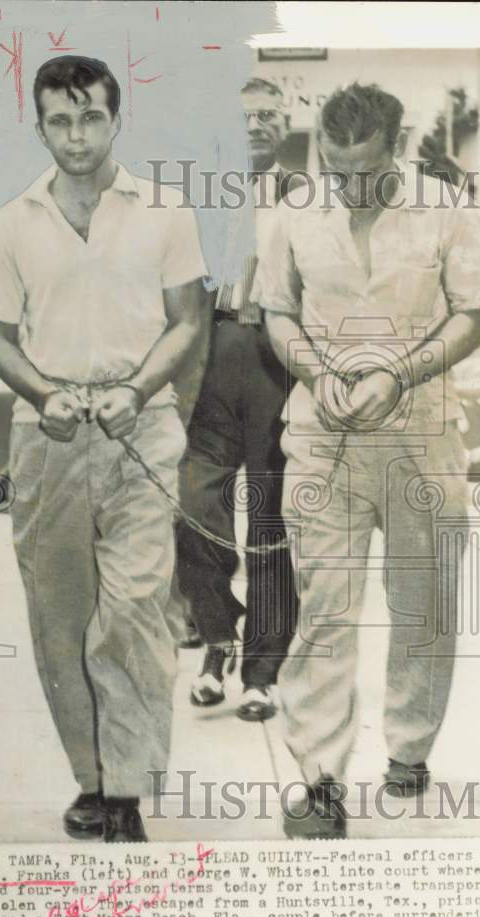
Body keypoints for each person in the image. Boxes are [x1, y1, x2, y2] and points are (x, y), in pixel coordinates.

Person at [254, 83, 480, 838]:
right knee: (324, 607)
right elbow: (277, 310)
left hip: (421, 438)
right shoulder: (296, 212)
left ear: (394, 148)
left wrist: (401, 372)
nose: (348, 185)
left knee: (422, 606)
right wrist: (314, 371)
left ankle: (409, 749)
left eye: (363, 169)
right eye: (334, 168)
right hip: (324, 438)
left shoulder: (445, 210)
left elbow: (477, 314)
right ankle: (321, 780)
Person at [0, 55, 207, 842]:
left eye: (91, 117)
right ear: (40, 126)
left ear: (115, 119)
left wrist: (135, 390)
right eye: (60, 121)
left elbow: (187, 321)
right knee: (62, 620)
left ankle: (130, 790)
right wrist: (44, 393)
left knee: (134, 612)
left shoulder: (165, 212)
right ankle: (94, 780)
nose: (77, 135)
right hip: (49, 440)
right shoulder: (14, 221)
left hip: (141, 430)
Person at [176, 78, 299, 722]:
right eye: (245, 115)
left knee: (272, 522)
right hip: (214, 355)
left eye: (269, 115)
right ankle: (216, 645)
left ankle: (261, 672)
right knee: (195, 509)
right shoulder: (198, 199)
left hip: (278, 362)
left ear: (286, 125)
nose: (257, 125)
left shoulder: (310, 199)